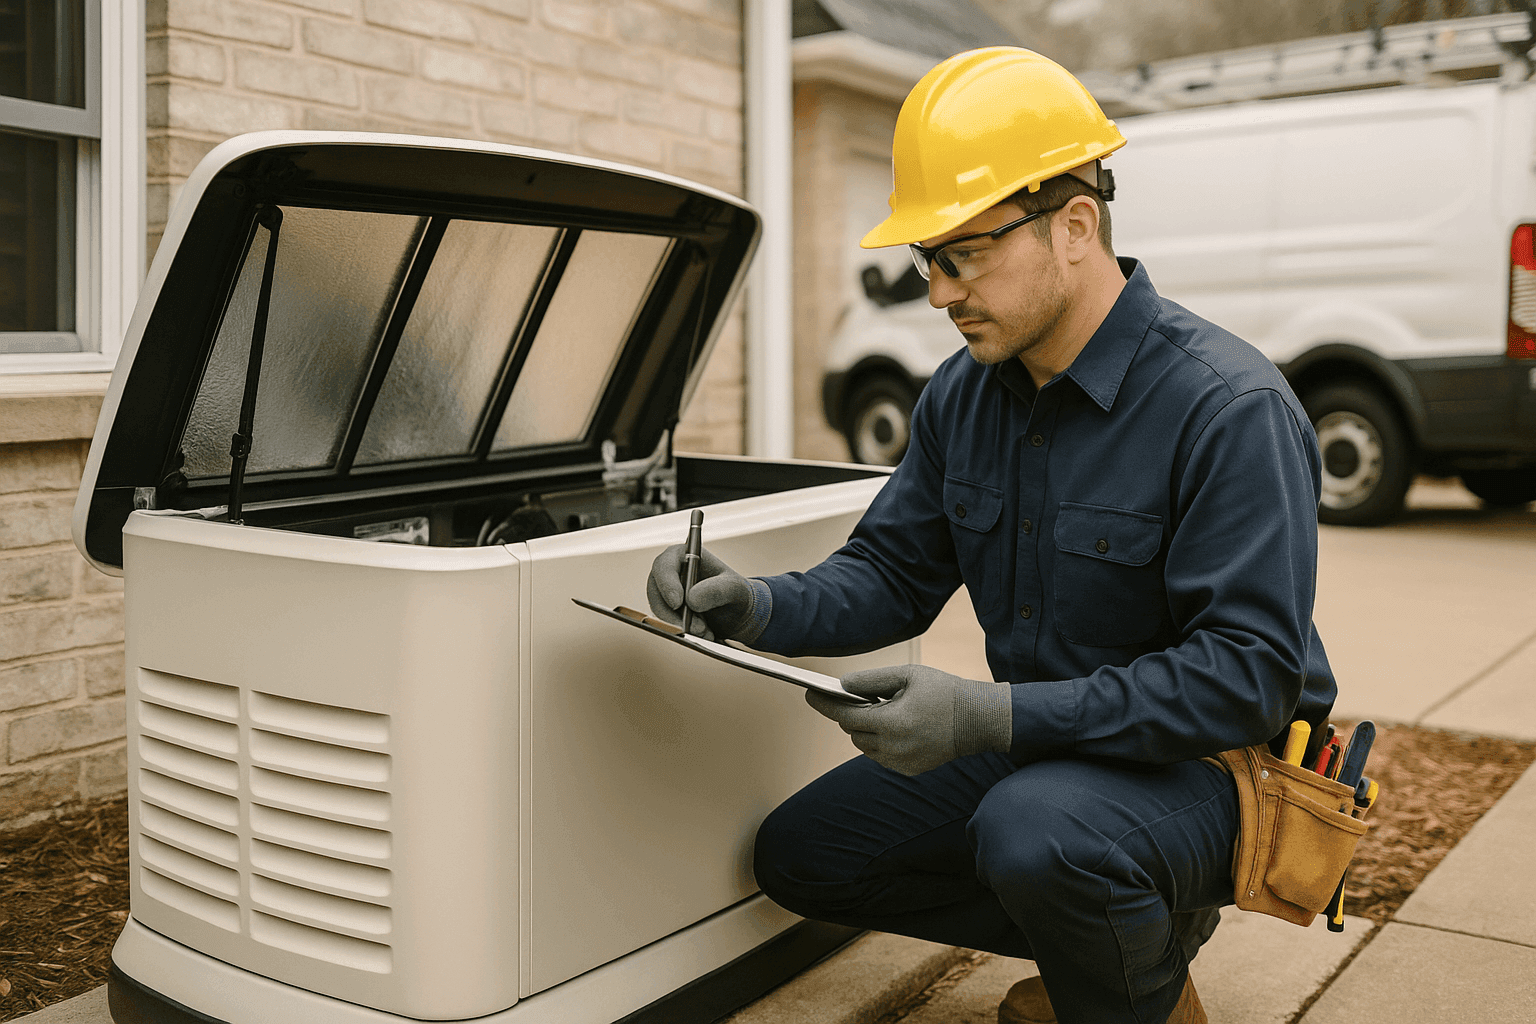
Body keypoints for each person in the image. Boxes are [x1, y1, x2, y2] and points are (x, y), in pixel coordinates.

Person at [647, 46, 1335, 1024]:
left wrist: (988, 718)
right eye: (927, 260)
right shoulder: (964, 397)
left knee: (1035, 831)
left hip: (1213, 771)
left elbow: (1245, 681)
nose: (937, 293)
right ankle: (1124, 942)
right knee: (805, 855)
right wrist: (755, 604)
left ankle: (1124, 983)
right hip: (1049, 753)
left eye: (962, 255)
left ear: (1074, 226)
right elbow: (890, 572)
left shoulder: (1227, 409)